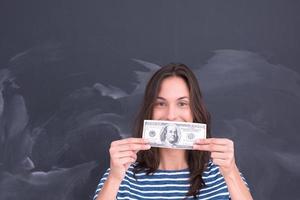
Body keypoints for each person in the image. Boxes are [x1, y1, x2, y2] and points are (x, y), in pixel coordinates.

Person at [93, 63, 253, 200]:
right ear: (149, 111)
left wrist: (231, 172)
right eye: (160, 104)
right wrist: (114, 178)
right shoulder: (121, 173)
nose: (170, 116)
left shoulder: (222, 173)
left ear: (195, 111)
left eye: (182, 104)